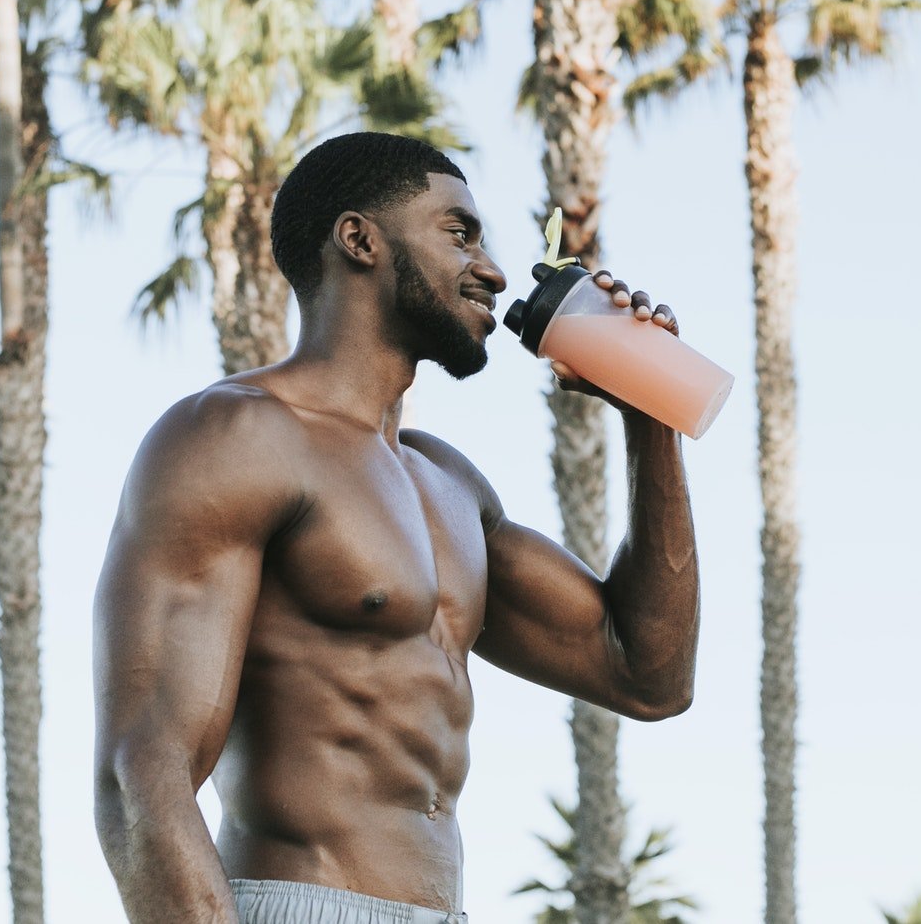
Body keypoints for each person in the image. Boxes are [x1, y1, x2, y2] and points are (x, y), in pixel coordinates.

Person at [93, 132, 699, 924]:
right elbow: (141, 773)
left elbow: (648, 674)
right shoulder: (236, 436)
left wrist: (651, 421)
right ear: (359, 239)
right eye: (459, 233)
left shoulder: (449, 484)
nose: (493, 270)